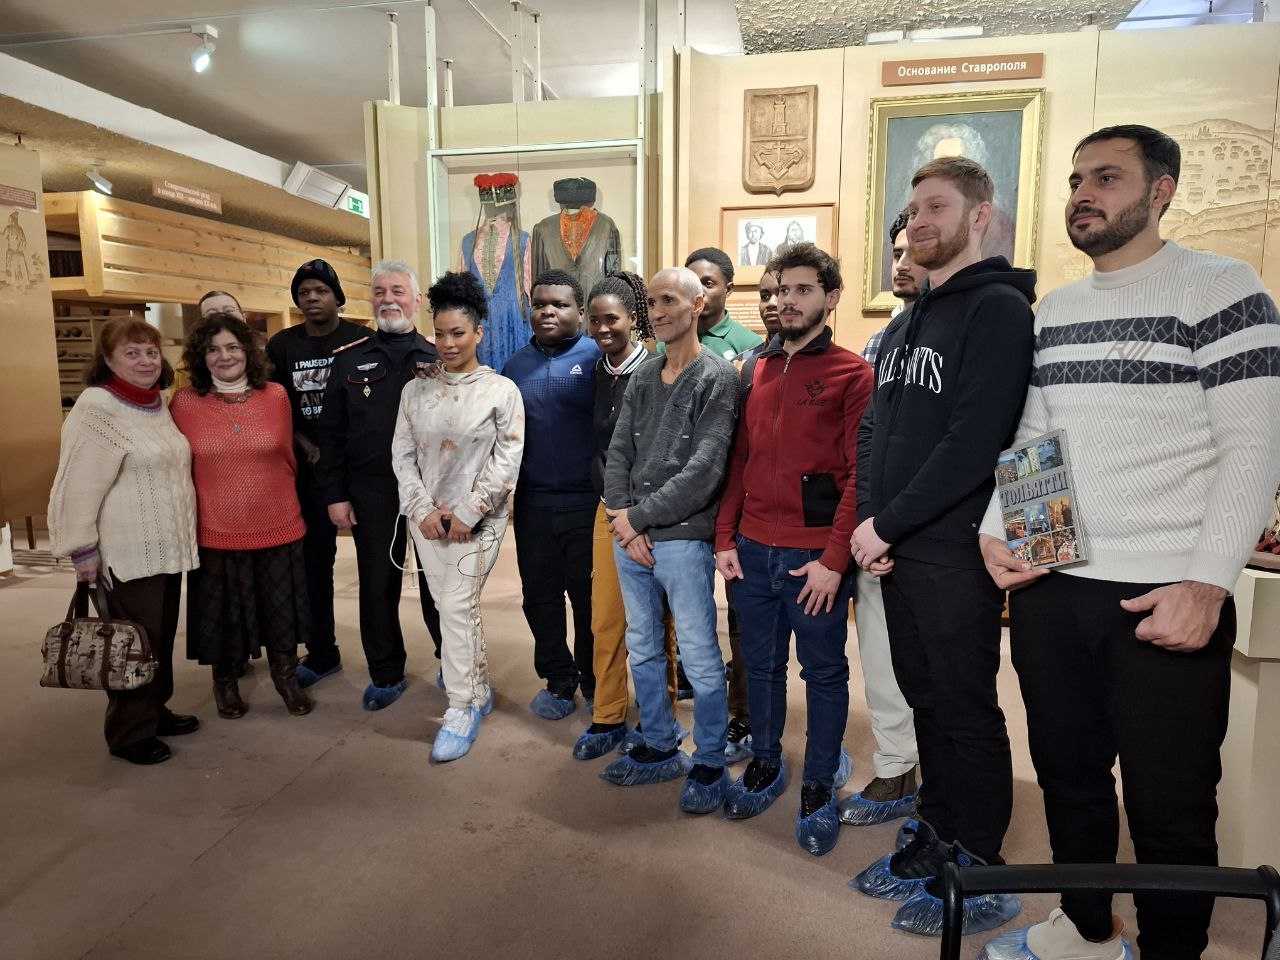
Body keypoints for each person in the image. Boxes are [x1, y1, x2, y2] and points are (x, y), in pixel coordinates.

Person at [976, 125, 1280, 960]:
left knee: (1170, 804)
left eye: (1107, 178)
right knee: (1068, 780)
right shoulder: (1058, 308)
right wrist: (1005, 530)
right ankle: (1085, 931)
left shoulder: (1223, 285)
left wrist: (1207, 586)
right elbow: (1036, 436)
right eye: (1077, 180)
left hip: (1166, 593)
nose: (1084, 193)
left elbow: (1255, 446)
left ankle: (1172, 951)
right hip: (1055, 589)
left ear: (1161, 191)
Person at [850, 156, 1035, 937]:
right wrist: (872, 525)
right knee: (923, 696)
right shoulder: (903, 323)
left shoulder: (999, 310)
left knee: (965, 705)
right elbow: (873, 432)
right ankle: (938, 826)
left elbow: (974, 441)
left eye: (937, 207)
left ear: (979, 216)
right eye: (913, 209)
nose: (919, 221)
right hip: (897, 549)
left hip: (955, 551)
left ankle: (979, 859)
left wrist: (886, 525)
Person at [714, 243, 873, 856]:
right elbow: (741, 460)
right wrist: (725, 538)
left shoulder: (851, 374)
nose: (786, 301)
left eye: (802, 290)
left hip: (814, 561)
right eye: (781, 290)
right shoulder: (755, 370)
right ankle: (765, 760)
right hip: (752, 551)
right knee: (759, 668)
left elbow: (859, 477)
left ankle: (817, 783)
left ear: (831, 298)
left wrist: (835, 562)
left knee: (824, 673)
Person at [598, 266, 739, 815]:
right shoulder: (642, 376)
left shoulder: (717, 376)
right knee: (642, 644)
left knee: (700, 654)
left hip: (682, 538)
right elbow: (618, 453)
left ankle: (710, 757)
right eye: (651, 303)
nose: (656, 312)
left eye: (669, 301)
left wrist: (637, 520)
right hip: (630, 534)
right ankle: (659, 742)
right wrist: (621, 518)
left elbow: (705, 469)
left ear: (697, 304)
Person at [48, 317, 200, 765]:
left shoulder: (154, 403)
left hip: (166, 549)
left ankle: (155, 710)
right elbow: (77, 484)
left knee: (158, 638)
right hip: (127, 550)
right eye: (131, 353)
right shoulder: (97, 407)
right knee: (130, 643)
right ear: (108, 359)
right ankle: (129, 733)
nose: (145, 361)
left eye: (151, 352)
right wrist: (82, 550)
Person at [392, 272, 525, 762]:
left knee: (452, 607)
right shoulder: (416, 390)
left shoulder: (501, 391)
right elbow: (402, 455)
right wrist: (422, 509)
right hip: (426, 522)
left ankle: (460, 707)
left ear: (478, 333)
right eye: (440, 334)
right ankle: (478, 686)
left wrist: (469, 511)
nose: (448, 344)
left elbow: (507, 460)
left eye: (458, 333)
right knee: (453, 607)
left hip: (480, 522)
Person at [170, 312, 312, 719]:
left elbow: (287, 456)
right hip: (216, 528)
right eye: (213, 349)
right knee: (223, 616)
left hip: (277, 520)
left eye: (232, 346)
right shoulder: (184, 403)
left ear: (248, 351)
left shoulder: (276, 396)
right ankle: (225, 682)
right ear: (201, 357)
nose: (224, 356)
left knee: (281, 612)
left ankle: (286, 677)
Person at [314, 259, 442, 711]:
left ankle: (452, 662)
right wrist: (335, 495)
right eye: (380, 292)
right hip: (372, 491)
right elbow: (330, 435)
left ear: (417, 300)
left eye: (398, 291)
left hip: (431, 492)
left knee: (438, 583)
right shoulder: (349, 359)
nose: (388, 300)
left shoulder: (438, 356)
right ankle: (386, 673)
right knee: (376, 583)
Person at [572, 271, 682, 761]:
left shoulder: (658, 370)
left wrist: (640, 514)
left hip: (653, 514)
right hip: (608, 510)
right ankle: (609, 714)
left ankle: (662, 713)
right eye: (594, 320)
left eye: (611, 319)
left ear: (633, 319)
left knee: (656, 622)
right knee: (605, 619)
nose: (602, 329)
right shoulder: (595, 372)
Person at [840, 210, 923, 828]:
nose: (903, 262)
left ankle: (947, 784)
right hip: (879, 532)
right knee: (880, 656)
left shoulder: (981, 323)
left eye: (914, 250)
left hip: (941, 534)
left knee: (944, 671)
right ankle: (896, 765)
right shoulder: (883, 339)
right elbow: (867, 443)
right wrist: (870, 523)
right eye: (895, 252)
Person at [502, 269, 602, 720]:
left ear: (579, 312)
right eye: (540, 303)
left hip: (587, 503)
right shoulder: (514, 367)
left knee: (588, 599)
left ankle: (596, 679)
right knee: (540, 597)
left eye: (560, 304)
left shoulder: (598, 359)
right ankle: (559, 680)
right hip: (533, 504)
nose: (548, 311)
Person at [267, 260, 370, 688]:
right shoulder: (282, 345)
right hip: (308, 474)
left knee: (374, 568)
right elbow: (272, 403)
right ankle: (323, 651)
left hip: (357, 469)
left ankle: (385, 658)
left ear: (337, 298)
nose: (312, 298)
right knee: (314, 566)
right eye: (304, 292)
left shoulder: (362, 339)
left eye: (321, 291)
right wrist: (304, 443)